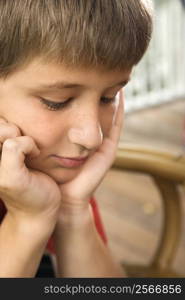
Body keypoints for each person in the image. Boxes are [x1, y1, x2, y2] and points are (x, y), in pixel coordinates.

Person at [0, 0, 153, 278]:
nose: (93, 137)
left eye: (108, 98)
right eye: (56, 102)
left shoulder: (52, 170)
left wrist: (73, 211)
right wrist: (28, 221)